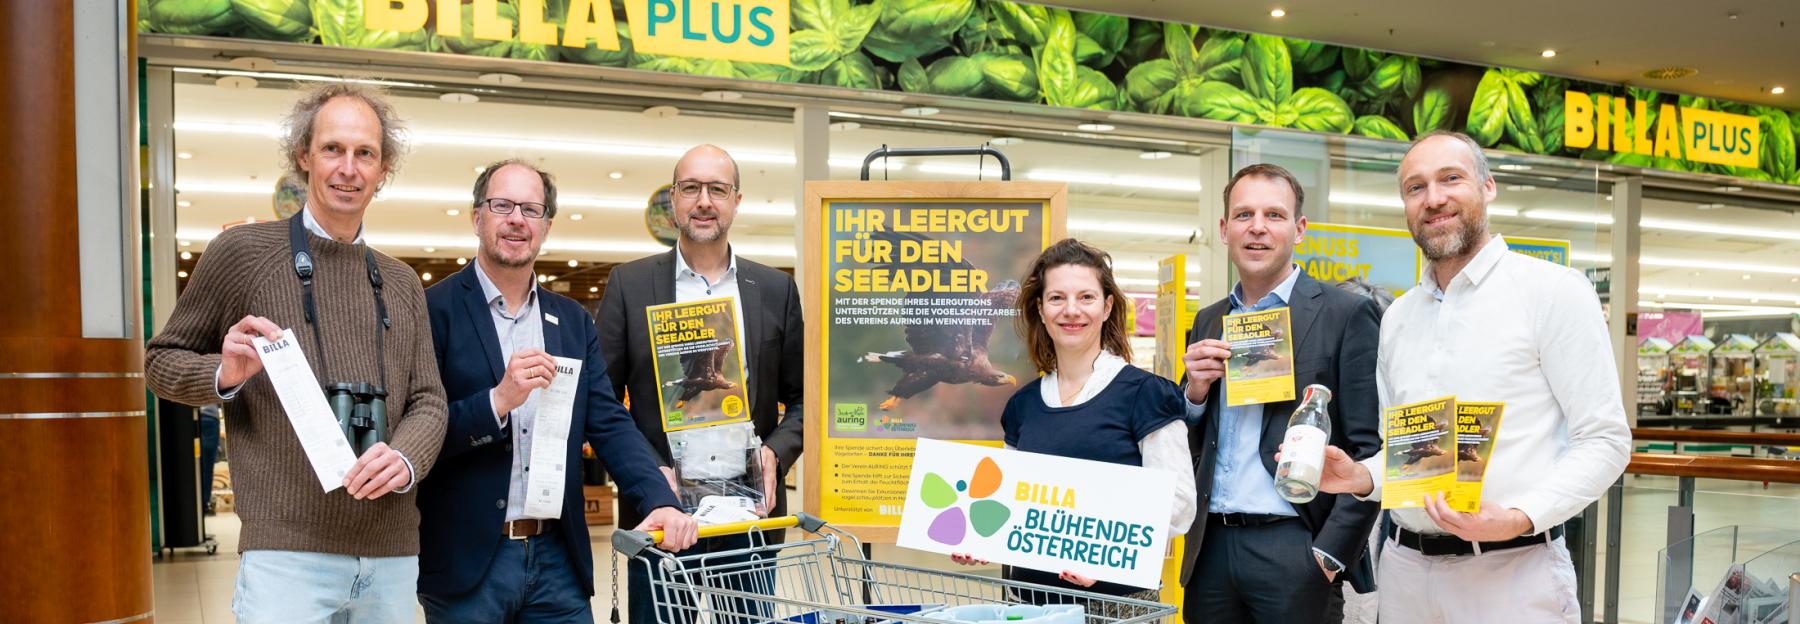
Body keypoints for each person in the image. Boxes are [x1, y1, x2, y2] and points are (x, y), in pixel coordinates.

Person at [144, 83, 447, 623]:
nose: (348, 168)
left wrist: (403, 458)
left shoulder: (401, 283)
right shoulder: (242, 255)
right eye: (333, 149)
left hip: (391, 557)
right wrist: (224, 372)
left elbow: (429, 400)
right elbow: (162, 361)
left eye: (365, 154)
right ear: (304, 156)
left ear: (383, 170)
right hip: (286, 556)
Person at [1309, 131, 1632, 623]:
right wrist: (1360, 477)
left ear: (1488, 186)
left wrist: (1518, 517)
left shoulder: (1552, 293)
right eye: (1415, 188)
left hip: (1513, 576)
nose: (1433, 198)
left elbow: (1605, 440)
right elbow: (1415, 460)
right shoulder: (1398, 317)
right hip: (1404, 575)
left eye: (1450, 179)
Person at [416, 160, 699, 621]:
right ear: (476, 217)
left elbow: (608, 422)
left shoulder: (570, 321)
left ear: (546, 225)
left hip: (557, 561)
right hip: (467, 567)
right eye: (501, 205)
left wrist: (660, 500)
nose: (516, 219)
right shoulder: (433, 311)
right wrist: (498, 401)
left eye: (531, 209)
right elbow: (419, 432)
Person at [597, 144, 806, 624]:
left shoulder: (775, 290)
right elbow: (602, 402)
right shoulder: (630, 285)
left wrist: (775, 452)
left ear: (736, 199)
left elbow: (801, 399)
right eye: (691, 188)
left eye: (717, 189)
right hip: (662, 514)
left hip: (749, 512)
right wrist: (649, 475)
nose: (704, 201)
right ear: (673, 199)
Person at [1178, 163, 1383, 623]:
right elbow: (1193, 442)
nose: (1257, 227)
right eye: (1244, 214)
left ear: (1300, 228)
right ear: (1224, 228)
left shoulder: (1345, 314)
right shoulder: (1210, 319)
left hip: (1295, 546)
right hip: (1211, 549)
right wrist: (1193, 392)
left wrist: (1331, 554)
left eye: (1274, 214)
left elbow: (1369, 448)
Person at [953, 238, 1195, 598]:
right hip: (1030, 603)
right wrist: (982, 540)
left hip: (1115, 607)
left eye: (1086, 297)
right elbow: (1010, 503)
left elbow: (1178, 503)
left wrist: (1105, 556)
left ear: (1108, 306)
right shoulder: (1024, 405)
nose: (1071, 310)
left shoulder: (1146, 395)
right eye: (1057, 298)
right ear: (1040, 308)